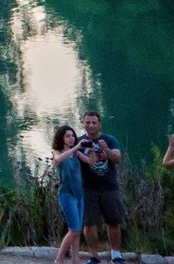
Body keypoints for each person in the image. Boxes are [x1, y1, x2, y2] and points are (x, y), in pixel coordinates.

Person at [79, 111, 125, 263]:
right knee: (89, 222)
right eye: (87, 122)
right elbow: (68, 161)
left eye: (94, 122)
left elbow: (117, 158)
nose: (91, 125)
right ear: (83, 123)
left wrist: (107, 150)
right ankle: (94, 256)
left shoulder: (109, 139)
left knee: (113, 221)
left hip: (109, 187)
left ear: (100, 123)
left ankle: (116, 254)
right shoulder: (79, 142)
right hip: (87, 188)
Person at [51, 124, 97, 264]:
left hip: (79, 195)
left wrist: (92, 150)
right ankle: (59, 260)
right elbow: (58, 160)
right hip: (66, 195)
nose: (71, 139)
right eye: (68, 136)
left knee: (76, 229)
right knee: (75, 230)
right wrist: (77, 147)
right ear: (61, 138)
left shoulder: (76, 153)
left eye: (73, 136)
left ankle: (75, 259)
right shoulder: (56, 152)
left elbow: (91, 162)